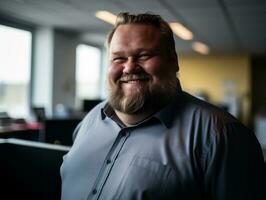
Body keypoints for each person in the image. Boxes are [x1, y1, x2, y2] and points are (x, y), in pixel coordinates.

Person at [60, 12, 266, 200]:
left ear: (173, 61)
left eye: (144, 56)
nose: (129, 67)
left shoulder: (220, 135)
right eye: (119, 58)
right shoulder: (92, 119)